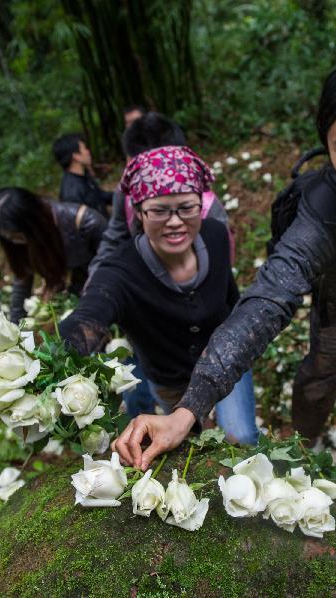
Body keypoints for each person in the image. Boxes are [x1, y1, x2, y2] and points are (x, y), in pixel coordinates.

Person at [113, 54, 336, 514]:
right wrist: (188, 409)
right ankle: (306, 445)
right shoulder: (322, 216)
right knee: (317, 383)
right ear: (327, 145)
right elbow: (264, 304)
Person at [58, 146, 259, 445]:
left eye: (186, 208)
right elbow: (94, 308)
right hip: (170, 379)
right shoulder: (122, 270)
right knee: (190, 443)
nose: (175, 221)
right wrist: (71, 345)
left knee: (240, 437)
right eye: (160, 210)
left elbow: (231, 299)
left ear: (200, 205)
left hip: (226, 358)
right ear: (139, 212)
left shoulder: (215, 236)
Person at [88, 111, 232, 278]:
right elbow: (114, 239)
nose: (174, 221)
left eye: (185, 208)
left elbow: (221, 269)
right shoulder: (126, 193)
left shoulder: (209, 212)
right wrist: (96, 280)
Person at [0, 187, 107, 324]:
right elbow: (22, 278)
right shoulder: (20, 242)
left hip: (104, 294)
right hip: (77, 302)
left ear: (34, 224)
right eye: (10, 238)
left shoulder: (86, 222)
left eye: (18, 236)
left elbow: (109, 262)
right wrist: (14, 327)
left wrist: (90, 293)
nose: (17, 242)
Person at [53, 133, 113, 216]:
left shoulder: (84, 176)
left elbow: (100, 196)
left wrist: (123, 196)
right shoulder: (71, 194)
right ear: (76, 156)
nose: (88, 151)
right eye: (85, 148)